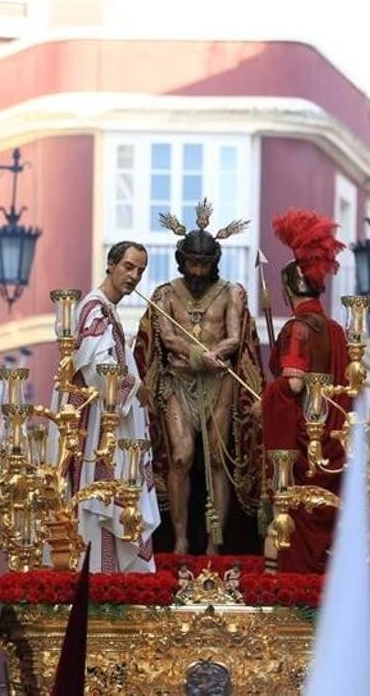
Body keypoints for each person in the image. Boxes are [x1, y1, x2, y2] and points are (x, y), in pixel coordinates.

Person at [134, 199, 264, 555]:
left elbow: (236, 337)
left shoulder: (232, 293)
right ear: (181, 260)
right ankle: (179, 539)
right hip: (179, 382)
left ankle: (214, 544)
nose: (197, 271)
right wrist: (196, 356)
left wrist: (215, 356)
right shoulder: (164, 295)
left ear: (213, 263)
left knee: (219, 460)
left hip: (218, 383)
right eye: (191, 263)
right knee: (181, 457)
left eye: (204, 265)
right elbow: (166, 337)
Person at [55, 240, 161, 572]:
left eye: (140, 271)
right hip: (94, 425)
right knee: (96, 503)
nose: (134, 276)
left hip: (105, 421)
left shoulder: (107, 311)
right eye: (128, 267)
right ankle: (97, 578)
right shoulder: (93, 308)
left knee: (107, 503)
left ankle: (109, 577)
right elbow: (99, 368)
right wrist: (136, 389)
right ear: (111, 264)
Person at [260, 209, 350, 573]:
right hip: (332, 445)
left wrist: (265, 399)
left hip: (301, 450)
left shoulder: (296, 329)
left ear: (288, 289)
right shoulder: (336, 331)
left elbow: (293, 383)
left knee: (288, 527)